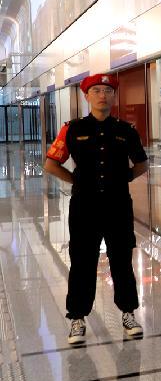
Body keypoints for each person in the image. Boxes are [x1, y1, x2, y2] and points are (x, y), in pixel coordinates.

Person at [43, 73, 149, 345]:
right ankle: (77, 318)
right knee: (82, 261)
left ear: (114, 96)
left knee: (121, 261)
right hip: (84, 207)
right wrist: (76, 181)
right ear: (87, 96)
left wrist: (123, 179)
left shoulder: (126, 130)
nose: (103, 95)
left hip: (118, 207)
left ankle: (128, 314)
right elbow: (51, 164)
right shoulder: (72, 129)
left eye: (107, 90)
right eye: (97, 91)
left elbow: (142, 164)